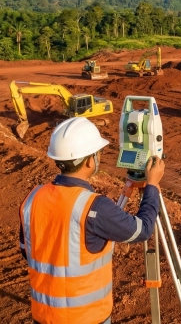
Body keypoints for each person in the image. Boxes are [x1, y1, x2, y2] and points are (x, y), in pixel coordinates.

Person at [19, 117, 165, 324]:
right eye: (97, 153)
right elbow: (142, 230)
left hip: (44, 316)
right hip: (86, 318)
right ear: (90, 161)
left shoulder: (33, 198)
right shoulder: (94, 206)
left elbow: (27, 250)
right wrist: (151, 187)